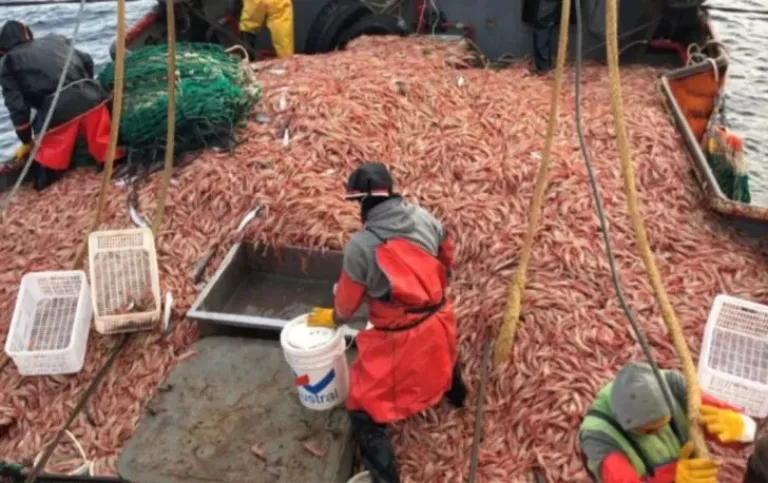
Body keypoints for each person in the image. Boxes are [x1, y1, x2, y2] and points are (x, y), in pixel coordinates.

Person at [307, 162, 466, 483]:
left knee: (362, 407)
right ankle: (459, 397)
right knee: (446, 358)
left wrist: (332, 317)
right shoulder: (424, 216)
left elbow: (347, 305)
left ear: (361, 203)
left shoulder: (361, 246)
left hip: (400, 339)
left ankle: (385, 478)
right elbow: (447, 256)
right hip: (440, 320)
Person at [580, 362, 757, 483]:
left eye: (666, 422)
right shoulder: (599, 439)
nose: (661, 431)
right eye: (649, 431)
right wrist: (673, 477)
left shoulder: (673, 386)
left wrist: (743, 428)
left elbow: (718, 420)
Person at [0, 20, 123, 191]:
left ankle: (48, 175)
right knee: (110, 152)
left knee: (46, 170)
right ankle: (113, 162)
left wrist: (26, 140)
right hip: (93, 100)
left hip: (58, 114)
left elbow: (18, 108)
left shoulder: (7, 62)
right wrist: (85, 88)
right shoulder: (55, 39)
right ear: (27, 34)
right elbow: (87, 60)